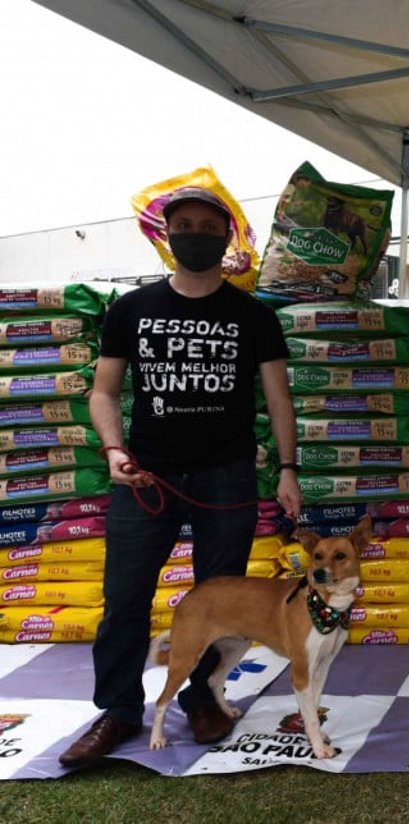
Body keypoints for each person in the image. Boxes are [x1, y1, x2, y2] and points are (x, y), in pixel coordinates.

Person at [59, 187, 303, 767]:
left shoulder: (254, 315)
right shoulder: (130, 310)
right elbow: (104, 391)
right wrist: (114, 449)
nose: (196, 233)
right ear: (167, 235)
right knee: (124, 599)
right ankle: (118, 712)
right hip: (148, 479)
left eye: (208, 225)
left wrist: (289, 468)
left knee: (221, 601)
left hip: (227, 477)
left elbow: (278, 399)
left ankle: (203, 700)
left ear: (227, 236)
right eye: (184, 224)